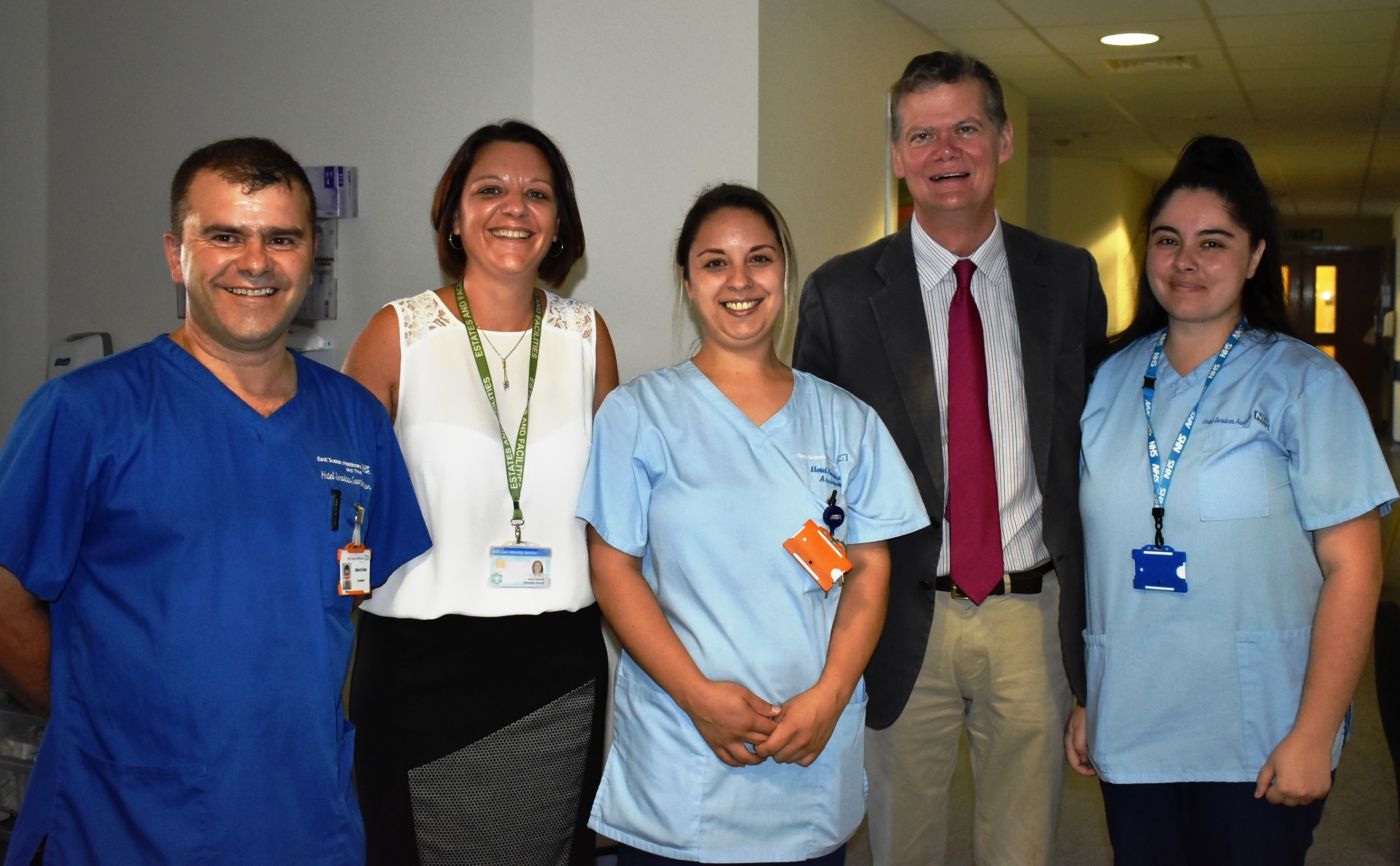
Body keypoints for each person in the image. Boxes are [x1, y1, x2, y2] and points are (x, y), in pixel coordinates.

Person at [0, 137, 430, 865]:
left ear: (310, 255)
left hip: (307, 820)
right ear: (177, 255)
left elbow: (344, 604)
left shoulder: (356, 419)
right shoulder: (86, 412)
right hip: (125, 822)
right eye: (225, 235)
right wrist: (104, 722)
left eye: (281, 238)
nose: (255, 261)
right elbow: (7, 603)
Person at [792, 51, 1108, 865]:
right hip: (898, 616)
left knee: (1024, 846)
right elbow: (805, 472)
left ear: (1002, 140)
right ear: (897, 158)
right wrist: (828, 612)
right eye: (921, 135)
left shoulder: (1067, 279)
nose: (944, 151)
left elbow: (1092, 453)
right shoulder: (840, 294)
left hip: (1032, 617)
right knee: (903, 845)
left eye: (966, 128)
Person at [579, 184, 929, 865]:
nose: (740, 281)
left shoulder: (846, 421)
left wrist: (829, 698)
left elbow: (870, 570)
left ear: (785, 274)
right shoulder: (637, 414)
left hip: (809, 753)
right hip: (682, 756)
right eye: (715, 263)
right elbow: (612, 567)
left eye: (760, 259)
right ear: (687, 280)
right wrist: (698, 698)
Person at [1069, 135, 1395, 865]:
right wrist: (1091, 697)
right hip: (1134, 718)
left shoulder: (1307, 386)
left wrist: (1316, 732)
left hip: (1258, 729)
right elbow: (1094, 559)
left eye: (1213, 243)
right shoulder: (1107, 381)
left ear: (1253, 258)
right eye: (1168, 240)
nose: (1186, 263)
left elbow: (1355, 571)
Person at [342, 120, 618, 866]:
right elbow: (339, 514)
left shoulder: (588, 335)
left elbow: (612, 516)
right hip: (419, 663)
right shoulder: (396, 333)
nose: (514, 208)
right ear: (455, 216)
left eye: (537, 194)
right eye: (489, 190)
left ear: (559, 220)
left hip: (556, 663)